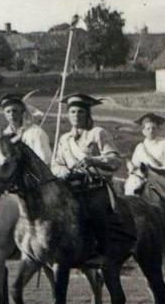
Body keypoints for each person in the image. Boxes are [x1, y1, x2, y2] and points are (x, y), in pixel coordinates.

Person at [50, 93, 123, 255]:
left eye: (80, 112)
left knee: (95, 208)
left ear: (87, 114)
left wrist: (93, 160)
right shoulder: (64, 139)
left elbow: (115, 160)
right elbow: (56, 164)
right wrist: (64, 172)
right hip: (69, 185)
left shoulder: (98, 133)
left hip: (95, 185)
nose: (76, 116)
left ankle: (105, 251)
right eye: (73, 112)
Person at [0, 93, 52, 164]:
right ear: (4, 114)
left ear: (22, 112)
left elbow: (45, 161)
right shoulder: (5, 134)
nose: (11, 115)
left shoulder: (35, 133)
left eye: (15, 111)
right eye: (8, 112)